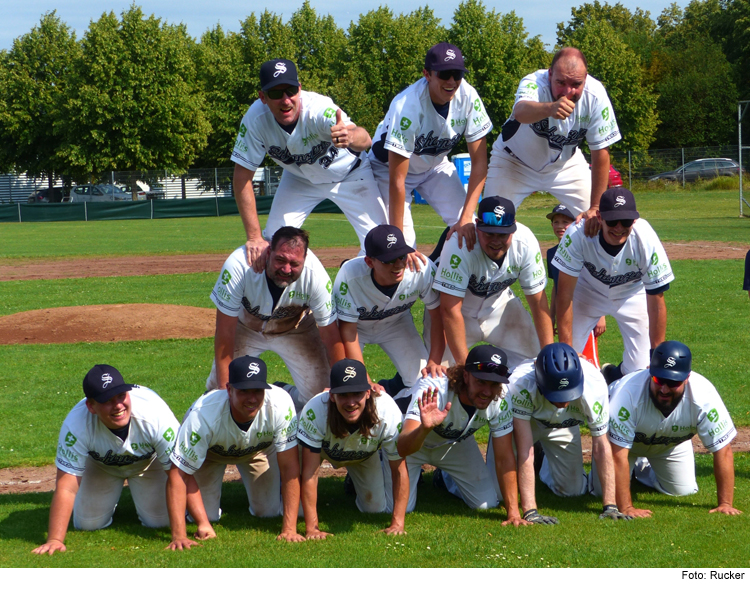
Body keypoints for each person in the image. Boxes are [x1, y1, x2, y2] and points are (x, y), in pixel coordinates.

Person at [231, 58, 387, 268]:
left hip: (350, 174)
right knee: (273, 246)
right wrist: (254, 237)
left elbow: (365, 138)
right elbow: (242, 176)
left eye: (291, 90)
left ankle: (352, 282)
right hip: (299, 179)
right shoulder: (255, 120)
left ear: (300, 89)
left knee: (381, 246)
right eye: (276, 93)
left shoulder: (319, 109)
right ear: (263, 97)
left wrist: (349, 137)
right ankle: (282, 298)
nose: (286, 100)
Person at [32, 365, 179, 555]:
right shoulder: (76, 425)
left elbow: (178, 475)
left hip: (149, 463)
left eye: (120, 396)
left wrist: (179, 535)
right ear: (91, 406)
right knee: (87, 523)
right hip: (101, 466)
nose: (118, 405)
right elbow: (66, 486)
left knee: (160, 522)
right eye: (107, 401)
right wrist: (54, 539)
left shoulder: (154, 414)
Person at [166, 355, 303, 549]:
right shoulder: (203, 414)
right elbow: (178, 473)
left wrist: (289, 529)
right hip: (210, 456)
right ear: (229, 390)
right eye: (244, 391)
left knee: (268, 512)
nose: (252, 398)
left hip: (258, 450)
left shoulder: (280, 403)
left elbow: (290, 466)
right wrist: (179, 535)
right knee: (209, 517)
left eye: (258, 390)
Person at [369, 42, 493, 251]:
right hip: (389, 171)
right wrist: (398, 244)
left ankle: (443, 272)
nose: (452, 81)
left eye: (457, 74)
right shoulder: (408, 105)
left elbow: (480, 164)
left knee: (471, 232)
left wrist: (464, 219)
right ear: (427, 74)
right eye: (444, 74)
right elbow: (398, 179)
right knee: (402, 248)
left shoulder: (468, 97)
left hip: (434, 166)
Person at [484, 47, 620, 237]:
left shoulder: (595, 95)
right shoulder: (534, 82)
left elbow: (601, 152)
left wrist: (595, 207)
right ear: (549, 75)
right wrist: (550, 108)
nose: (568, 91)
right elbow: (520, 112)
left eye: (576, 84)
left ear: (586, 78)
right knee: (491, 225)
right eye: (560, 82)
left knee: (601, 223)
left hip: (565, 165)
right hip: (513, 163)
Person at [208, 226, 344, 410]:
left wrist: (343, 385)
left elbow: (331, 336)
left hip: (297, 328)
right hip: (245, 327)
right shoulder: (239, 265)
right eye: (280, 259)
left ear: (305, 260)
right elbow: (225, 332)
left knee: (320, 397)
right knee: (218, 388)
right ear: (268, 252)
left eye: (295, 264)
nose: (286, 269)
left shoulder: (316, 276)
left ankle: (285, 394)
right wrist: (224, 396)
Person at [606, 341, 741, 517]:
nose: (664, 389)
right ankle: (630, 468)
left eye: (672, 382)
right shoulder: (628, 394)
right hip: (621, 447)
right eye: (659, 379)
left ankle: (640, 468)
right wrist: (627, 508)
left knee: (682, 490)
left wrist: (725, 503)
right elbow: (617, 455)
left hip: (671, 443)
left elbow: (723, 450)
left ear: (686, 378)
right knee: (604, 491)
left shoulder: (703, 395)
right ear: (649, 371)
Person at [396, 344, 526, 525]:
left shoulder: (501, 396)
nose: (487, 391)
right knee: (395, 507)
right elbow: (402, 448)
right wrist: (424, 429)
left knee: (486, 504)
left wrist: (513, 514)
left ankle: (444, 477)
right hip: (412, 443)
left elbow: (504, 457)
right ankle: (376, 465)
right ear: (466, 376)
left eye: (494, 383)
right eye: (481, 381)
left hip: (453, 444)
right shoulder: (434, 388)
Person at [554, 188, 674, 381]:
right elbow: (565, 294)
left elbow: (657, 299)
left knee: (640, 369)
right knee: (566, 363)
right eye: (612, 221)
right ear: (599, 217)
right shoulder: (578, 233)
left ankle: (612, 376)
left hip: (632, 294)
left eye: (625, 221)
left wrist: (657, 355)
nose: (619, 227)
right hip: (587, 293)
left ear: (635, 220)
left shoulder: (645, 238)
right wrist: (567, 349)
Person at [508, 343, 631, 523]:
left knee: (572, 491)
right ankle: (450, 478)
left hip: (564, 425)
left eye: (568, 395)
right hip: (529, 424)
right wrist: (530, 512)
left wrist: (610, 505)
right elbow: (525, 448)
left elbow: (601, 446)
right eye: (557, 395)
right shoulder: (520, 384)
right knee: (494, 495)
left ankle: (544, 462)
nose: (563, 402)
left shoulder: (594, 383)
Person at [433, 195, 554, 371]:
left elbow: (538, 302)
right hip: (457, 314)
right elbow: (450, 310)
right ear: (477, 226)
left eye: (503, 234)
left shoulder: (525, 242)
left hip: (500, 305)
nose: (496, 241)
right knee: (438, 376)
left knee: (537, 362)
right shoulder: (459, 244)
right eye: (489, 233)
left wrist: (548, 352)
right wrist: (466, 369)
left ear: (514, 228)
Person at [333, 224, 445, 404]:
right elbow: (348, 331)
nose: (398, 264)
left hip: (396, 323)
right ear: (369, 262)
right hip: (356, 330)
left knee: (424, 382)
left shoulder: (421, 269)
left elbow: (438, 315)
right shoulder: (349, 276)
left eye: (401, 256)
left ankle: (394, 392)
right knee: (347, 386)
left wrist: (434, 360)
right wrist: (366, 380)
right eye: (388, 260)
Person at [298, 359, 408, 538]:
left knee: (374, 509)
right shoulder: (316, 409)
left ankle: (352, 480)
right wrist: (312, 529)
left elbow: (399, 470)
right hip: (320, 450)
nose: (350, 402)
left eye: (356, 394)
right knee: (298, 512)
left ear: (367, 392)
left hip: (362, 454)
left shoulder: (387, 410)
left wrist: (397, 524)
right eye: (343, 395)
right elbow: (310, 472)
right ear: (332, 395)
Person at [546, 203, 605, 366]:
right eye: (555, 222)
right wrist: (551, 318)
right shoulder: (552, 253)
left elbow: (597, 282)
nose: (559, 226)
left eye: (565, 222)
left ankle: (600, 381)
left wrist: (601, 315)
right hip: (564, 313)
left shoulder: (584, 249)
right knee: (568, 357)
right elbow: (556, 288)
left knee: (589, 359)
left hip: (585, 310)